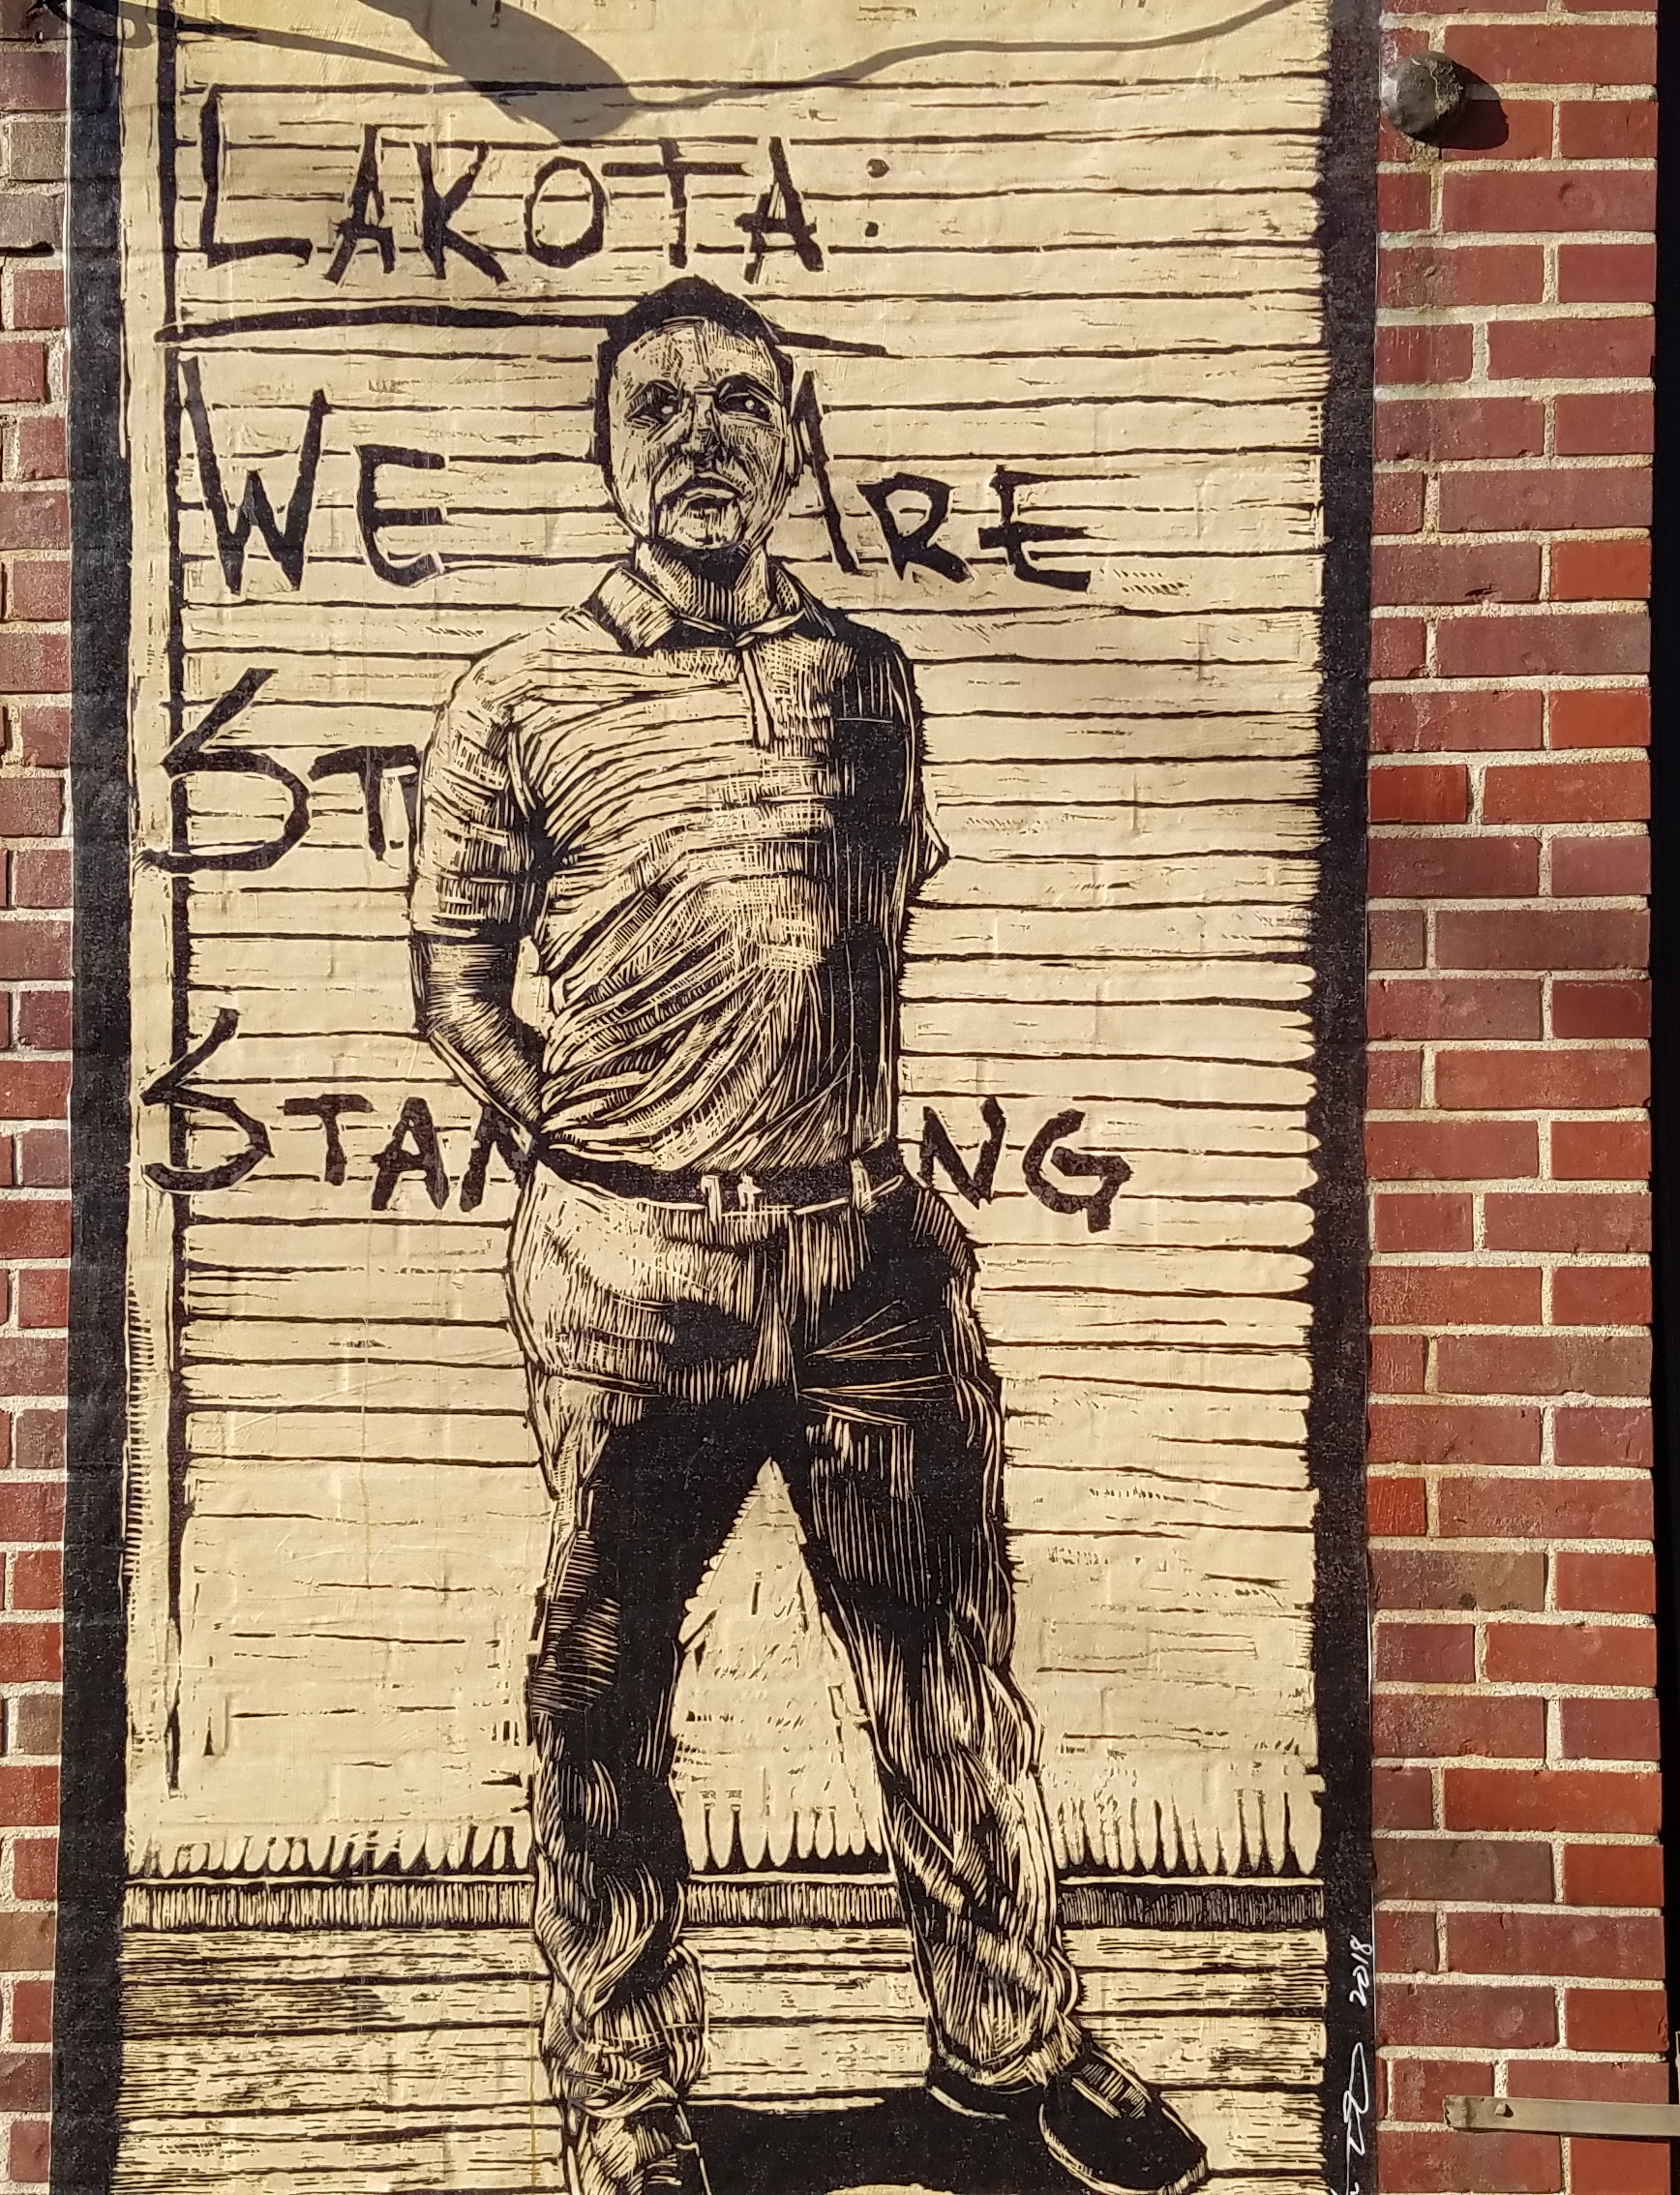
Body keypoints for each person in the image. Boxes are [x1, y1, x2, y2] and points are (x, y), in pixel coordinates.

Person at [406, 277, 1212, 2195]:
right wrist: (580, 1131)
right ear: (606, 450)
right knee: (601, 1698)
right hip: (632, 1282)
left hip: (867, 1266)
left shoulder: (869, 680)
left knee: (946, 1676)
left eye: (743, 405)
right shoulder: (520, 697)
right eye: (659, 406)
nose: (702, 438)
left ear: (796, 444)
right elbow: (455, 977)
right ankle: (625, 2092)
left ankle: (1015, 2044)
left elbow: (867, 924)